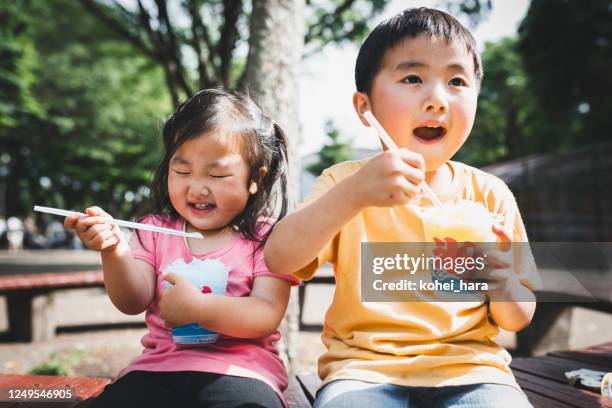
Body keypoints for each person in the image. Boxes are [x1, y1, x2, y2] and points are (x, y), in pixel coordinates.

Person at [265, 8, 539, 408]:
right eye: (413, 78)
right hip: (362, 371)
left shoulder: (489, 195)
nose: (437, 100)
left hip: (473, 371)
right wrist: (354, 195)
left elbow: (518, 317)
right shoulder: (344, 184)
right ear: (365, 108)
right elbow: (280, 258)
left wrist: (502, 281)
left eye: (457, 81)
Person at [65, 89, 298, 408]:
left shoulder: (267, 236)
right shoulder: (156, 230)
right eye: (182, 171)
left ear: (255, 179)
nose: (197, 187)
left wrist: (199, 308)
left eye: (217, 174)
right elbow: (133, 301)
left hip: (242, 373)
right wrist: (114, 248)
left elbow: (266, 313)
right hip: (157, 370)